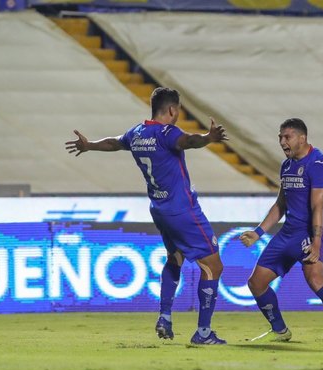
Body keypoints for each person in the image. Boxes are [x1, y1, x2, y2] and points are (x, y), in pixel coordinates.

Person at [66, 87, 228, 345]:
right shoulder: (168, 133)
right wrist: (208, 137)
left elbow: (113, 143)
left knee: (175, 259)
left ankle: (165, 316)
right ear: (172, 110)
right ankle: (204, 333)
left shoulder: (137, 133)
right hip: (183, 210)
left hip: (160, 209)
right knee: (213, 266)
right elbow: (189, 141)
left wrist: (89, 146)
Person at [240, 118, 323, 344]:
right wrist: (258, 232)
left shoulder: (319, 164)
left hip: (309, 233)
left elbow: (318, 206)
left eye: (286, 137)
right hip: (288, 233)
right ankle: (279, 330)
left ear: (302, 138)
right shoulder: (286, 166)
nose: (281, 142)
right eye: (280, 137)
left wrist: (317, 242)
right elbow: (280, 204)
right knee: (256, 282)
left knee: (316, 281)